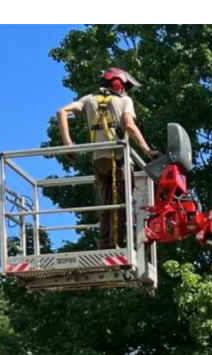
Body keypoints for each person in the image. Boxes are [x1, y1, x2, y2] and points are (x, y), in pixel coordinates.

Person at [56, 68, 158, 250]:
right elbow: (130, 125)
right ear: (117, 83)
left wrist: (68, 144)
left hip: (98, 161)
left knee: (106, 205)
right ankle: (117, 245)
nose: (125, 91)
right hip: (118, 160)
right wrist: (148, 150)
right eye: (125, 86)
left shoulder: (88, 99)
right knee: (121, 204)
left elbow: (61, 111)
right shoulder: (125, 101)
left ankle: (103, 245)